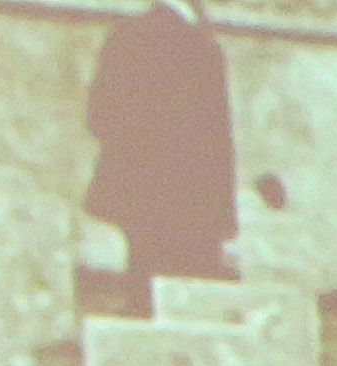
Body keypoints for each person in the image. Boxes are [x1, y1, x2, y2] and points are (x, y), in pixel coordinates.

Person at [84, 0, 238, 299]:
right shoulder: (204, 50)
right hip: (194, 204)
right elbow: (218, 149)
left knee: (142, 289)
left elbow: (98, 118)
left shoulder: (126, 37)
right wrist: (225, 218)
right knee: (188, 297)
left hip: (137, 197)